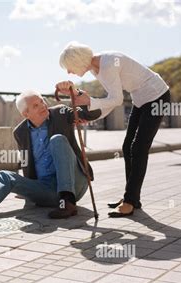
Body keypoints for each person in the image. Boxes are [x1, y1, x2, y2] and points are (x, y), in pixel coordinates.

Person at [0, 90, 107, 219]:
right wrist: (28, 190)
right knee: (5, 175)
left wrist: (82, 98)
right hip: (48, 190)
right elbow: (27, 162)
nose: (43, 106)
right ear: (25, 113)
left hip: (75, 184)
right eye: (36, 105)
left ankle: (68, 202)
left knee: (57, 140)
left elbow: (92, 114)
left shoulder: (61, 113)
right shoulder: (20, 132)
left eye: (42, 101)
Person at [56, 42, 171, 217]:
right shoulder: (97, 68)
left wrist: (89, 101)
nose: (69, 72)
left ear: (78, 61)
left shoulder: (108, 64)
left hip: (157, 96)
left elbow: (116, 100)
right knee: (128, 148)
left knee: (138, 148)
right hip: (141, 100)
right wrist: (88, 115)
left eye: (69, 67)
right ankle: (132, 198)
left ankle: (130, 201)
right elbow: (110, 102)